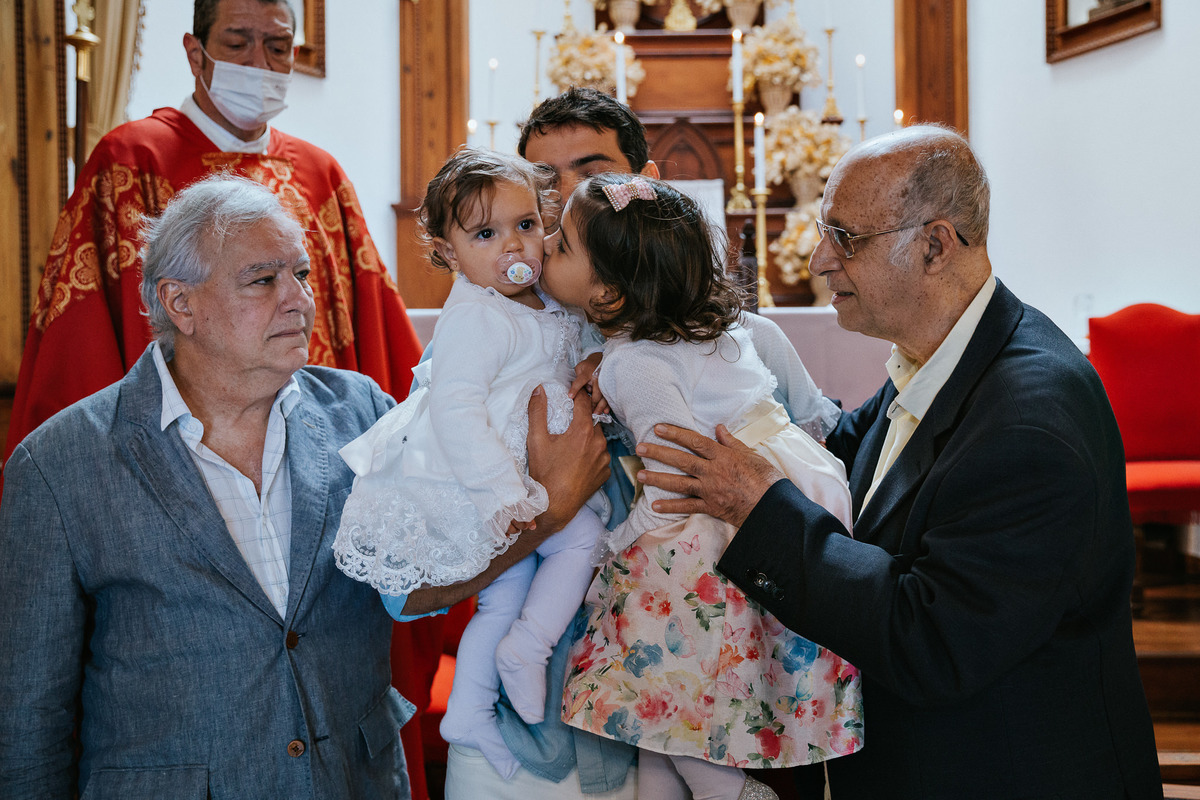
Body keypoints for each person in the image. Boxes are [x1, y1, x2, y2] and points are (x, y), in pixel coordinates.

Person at [634, 125, 1165, 799]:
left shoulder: (1030, 424)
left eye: (846, 238)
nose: (820, 260)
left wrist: (759, 508)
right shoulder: (947, 354)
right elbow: (852, 453)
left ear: (936, 246)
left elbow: (932, 637)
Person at [395, 87, 840, 800]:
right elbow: (404, 592)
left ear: (645, 183)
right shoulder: (486, 347)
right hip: (533, 743)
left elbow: (813, 490)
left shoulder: (746, 340)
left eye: (588, 171)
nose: (562, 200)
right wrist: (549, 513)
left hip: (698, 715)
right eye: (545, 185)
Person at [0, 176, 415, 797]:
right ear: (180, 303)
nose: (298, 299)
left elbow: (442, 569)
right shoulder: (62, 462)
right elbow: (30, 719)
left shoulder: (362, 412)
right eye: (262, 279)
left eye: (300, 274)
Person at [544, 174, 863, 800]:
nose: (546, 247)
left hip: (717, 519)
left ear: (607, 291)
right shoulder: (708, 329)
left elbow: (671, 481)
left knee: (658, 685)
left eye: (561, 244)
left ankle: (737, 794)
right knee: (670, 722)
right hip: (794, 486)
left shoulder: (632, 362)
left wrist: (616, 545)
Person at [2, 0, 423, 462]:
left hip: (314, 444)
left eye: (278, 46)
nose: (259, 63)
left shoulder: (321, 175)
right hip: (172, 450)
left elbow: (375, 330)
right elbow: (84, 337)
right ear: (195, 53)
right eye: (238, 43)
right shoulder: (129, 161)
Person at [333, 147, 609, 780]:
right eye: (486, 234)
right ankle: (528, 648)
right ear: (449, 252)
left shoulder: (541, 299)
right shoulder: (477, 315)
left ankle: (469, 709)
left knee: (503, 595)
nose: (512, 245)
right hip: (492, 485)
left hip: (525, 478)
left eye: (526, 225)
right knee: (581, 539)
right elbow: (455, 409)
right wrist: (505, 496)